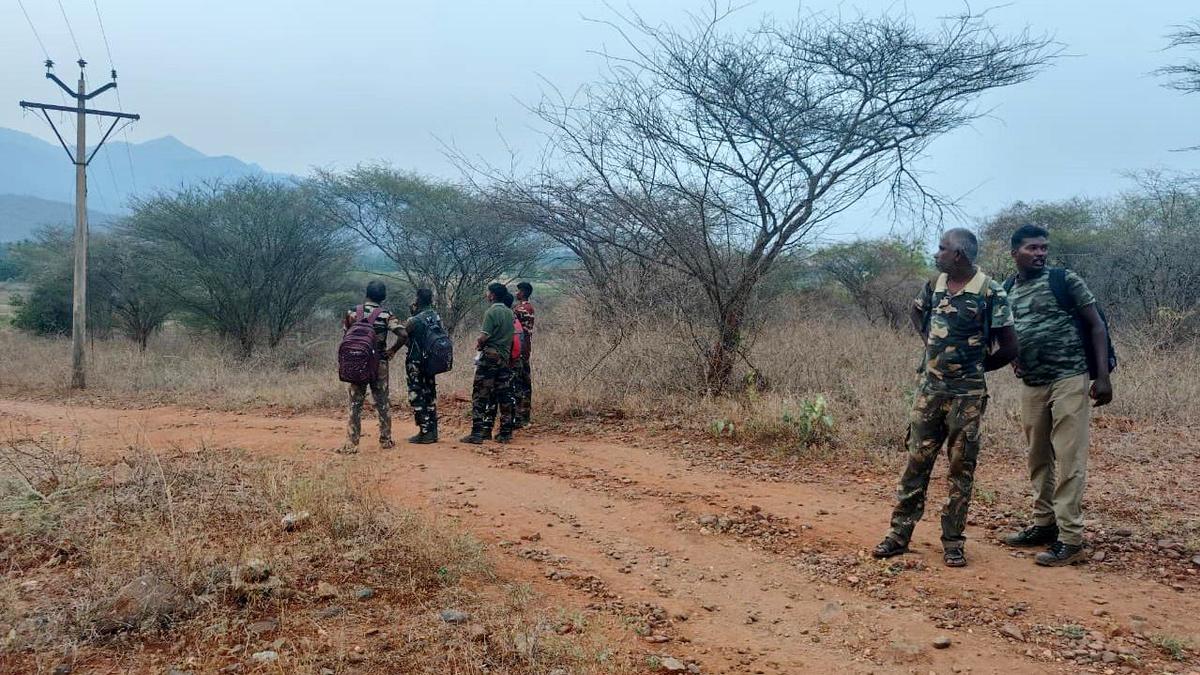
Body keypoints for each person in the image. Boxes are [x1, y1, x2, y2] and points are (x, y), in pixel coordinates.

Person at [872, 228, 1018, 567]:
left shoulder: (989, 291)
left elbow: (1010, 346)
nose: (936, 254)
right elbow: (916, 312)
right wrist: (930, 346)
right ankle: (898, 535)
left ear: (960, 256)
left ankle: (953, 541)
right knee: (916, 462)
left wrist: (977, 367)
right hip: (930, 391)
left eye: (942, 248)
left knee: (960, 466)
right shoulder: (935, 284)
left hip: (966, 396)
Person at [1002, 224, 1113, 567]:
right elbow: (1009, 331)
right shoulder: (1007, 289)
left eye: (1043, 248)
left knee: (1068, 458)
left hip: (1069, 378)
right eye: (1032, 248)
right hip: (1033, 382)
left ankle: (1071, 539)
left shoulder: (1064, 280)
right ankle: (1043, 524)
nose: (1039, 253)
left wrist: (1103, 377)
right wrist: (1014, 358)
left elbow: (1096, 325)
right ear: (1014, 253)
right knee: (1037, 457)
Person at [341, 280, 402, 453]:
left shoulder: (353, 311)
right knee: (382, 401)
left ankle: (351, 444)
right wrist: (392, 351)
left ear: (366, 293)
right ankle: (385, 440)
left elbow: (346, 335)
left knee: (355, 404)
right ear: (383, 297)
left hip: (356, 363)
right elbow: (403, 334)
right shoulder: (386, 314)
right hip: (379, 363)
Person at [461, 282, 517, 444]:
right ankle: (506, 432)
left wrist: (479, 344)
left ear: (492, 295)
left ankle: (477, 433)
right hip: (504, 358)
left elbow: (484, 336)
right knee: (504, 394)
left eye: (488, 293)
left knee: (480, 394)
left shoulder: (491, 312)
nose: (487, 295)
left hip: (490, 358)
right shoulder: (509, 312)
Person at [403, 288, 443, 444]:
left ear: (418, 299)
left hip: (416, 361)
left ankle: (424, 431)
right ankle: (433, 431)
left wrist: (392, 350)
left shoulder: (414, 320)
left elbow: (404, 336)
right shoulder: (435, 316)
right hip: (432, 360)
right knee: (430, 393)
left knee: (417, 394)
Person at [513, 281, 536, 427]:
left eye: (519, 291)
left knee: (518, 383)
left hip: (520, 349)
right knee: (525, 383)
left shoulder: (521, 309)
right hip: (525, 348)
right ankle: (525, 416)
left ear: (523, 292)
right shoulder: (529, 307)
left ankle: (519, 417)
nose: (517, 293)